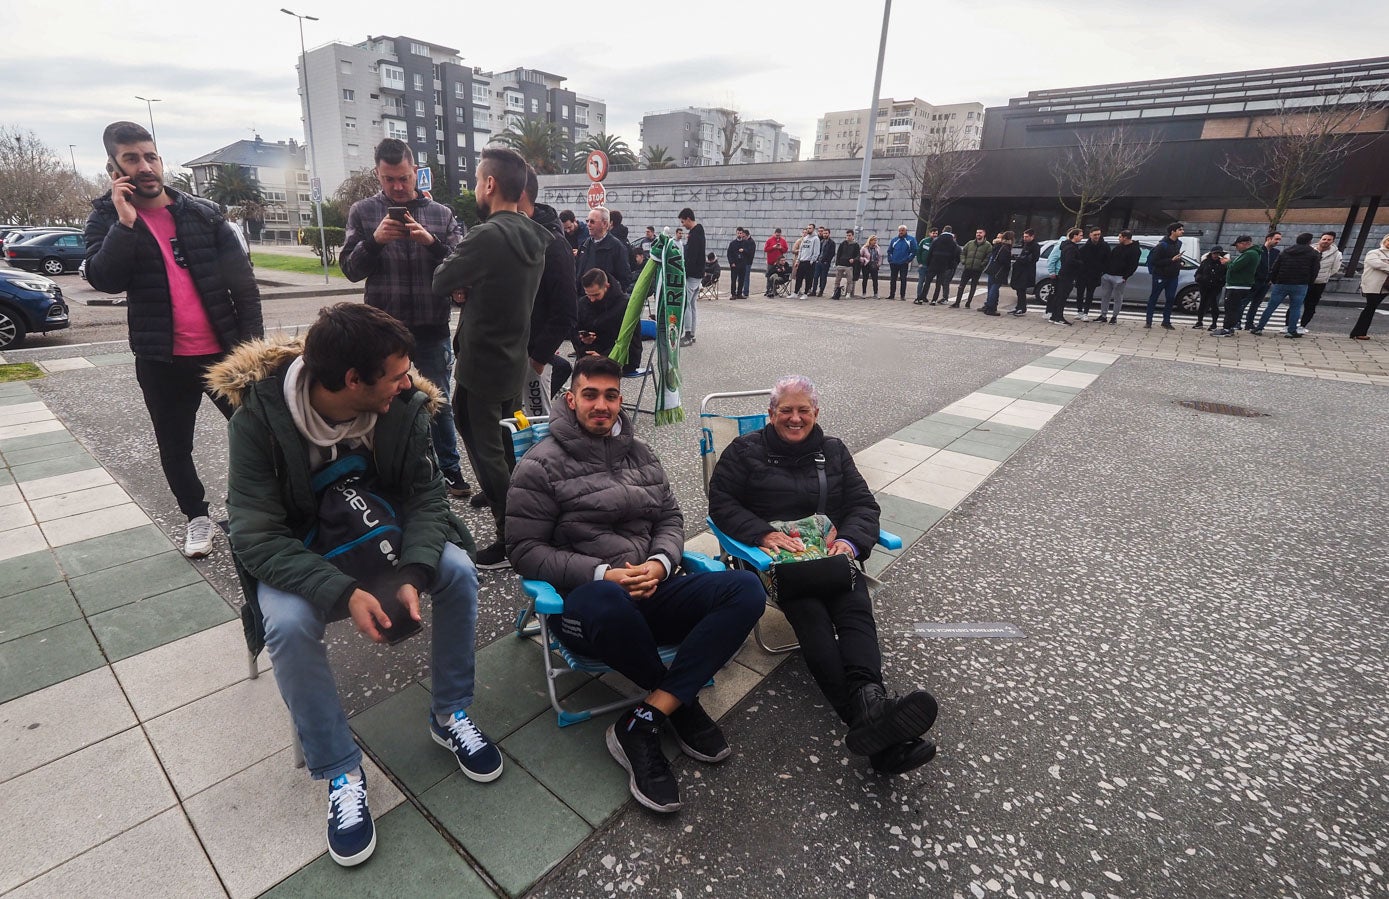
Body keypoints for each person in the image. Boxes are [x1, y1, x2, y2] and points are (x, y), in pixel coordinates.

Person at [212, 303, 500, 868]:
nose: (408, 382)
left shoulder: (404, 407)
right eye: (395, 374)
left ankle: (449, 714)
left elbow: (425, 495)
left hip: (382, 531)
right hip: (301, 548)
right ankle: (341, 769)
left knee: (460, 571)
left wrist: (414, 571)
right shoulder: (259, 419)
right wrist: (343, 593)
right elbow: (256, 535)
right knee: (290, 624)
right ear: (351, 380)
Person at [506, 354, 765, 813]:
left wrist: (663, 563)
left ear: (620, 400)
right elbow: (524, 550)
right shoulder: (539, 465)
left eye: (610, 395)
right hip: (588, 604)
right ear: (571, 399)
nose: (601, 405)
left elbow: (670, 516)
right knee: (607, 600)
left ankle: (646, 716)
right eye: (590, 395)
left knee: (745, 589)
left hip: (654, 587)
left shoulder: (641, 453)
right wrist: (603, 573)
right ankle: (681, 703)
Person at [707, 375, 938, 774]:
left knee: (854, 607)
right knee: (812, 616)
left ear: (816, 412)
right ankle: (872, 721)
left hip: (832, 557)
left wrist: (849, 541)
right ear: (771, 414)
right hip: (778, 563)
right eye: (786, 411)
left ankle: (871, 718)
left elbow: (863, 505)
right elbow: (721, 504)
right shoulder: (744, 452)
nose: (795, 418)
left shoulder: (832, 451)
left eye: (803, 411)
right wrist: (762, 533)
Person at [83, 120, 262, 558]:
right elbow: (104, 279)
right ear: (114, 168)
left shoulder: (202, 212)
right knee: (175, 444)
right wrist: (125, 223)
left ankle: (259, 513)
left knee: (260, 435)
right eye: (131, 158)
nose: (145, 166)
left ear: (160, 159)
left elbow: (244, 286)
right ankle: (197, 518)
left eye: (150, 156)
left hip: (224, 355)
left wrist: (253, 351)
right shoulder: (106, 217)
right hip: (161, 358)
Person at [433, 146, 551, 570]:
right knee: (508, 447)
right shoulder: (535, 237)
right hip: (512, 358)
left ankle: (512, 537)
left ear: (489, 184)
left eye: (478, 180)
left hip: (480, 365)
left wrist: (466, 281)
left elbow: (442, 278)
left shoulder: (487, 235)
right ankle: (528, 519)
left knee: (487, 454)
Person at [340, 138, 469, 498]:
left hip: (431, 329)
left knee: (438, 404)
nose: (397, 187)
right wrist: (375, 242)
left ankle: (451, 472)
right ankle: (386, 473)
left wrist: (431, 242)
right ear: (378, 175)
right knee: (382, 406)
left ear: (416, 172)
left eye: (403, 178)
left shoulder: (441, 215)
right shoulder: (363, 212)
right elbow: (350, 269)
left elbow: (460, 271)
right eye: (388, 179)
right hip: (381, 334)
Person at [518, 166, 577, 420]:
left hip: (531, 358)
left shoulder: (552, 243)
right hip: (506, 357)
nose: (480, 193)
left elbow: (565, 311)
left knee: (534, 429)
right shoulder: (507, 234)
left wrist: (538, 358)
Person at [1253, 232, 1319, 338]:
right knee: (1295, 308)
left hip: (1282, 282)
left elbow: (1275, 267)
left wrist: (1274, 280)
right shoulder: (1313, 254)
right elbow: (1315, 270)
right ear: (1309, 242)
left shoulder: (1286, 251)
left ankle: (1259, 327)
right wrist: (1309, 282)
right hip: (1300, 284)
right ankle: (1291, 330)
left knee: (1271, 306)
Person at [575, 268, 639, 370]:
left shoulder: (625, 305)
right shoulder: (583, 303)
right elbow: (574, 329)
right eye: (588, 295)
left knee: (591, 369)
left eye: (596, 295)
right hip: (592, 352)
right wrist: (582, 338)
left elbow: (631, 342)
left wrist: (604, 357)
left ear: (607, 286)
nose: (592, 300)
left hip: (623, 356)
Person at [577, 206, 634, 294]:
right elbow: (578, 273)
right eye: (587, 221)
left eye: (592, 221)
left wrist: (608, 295)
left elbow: (625, 278)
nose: (588, 224)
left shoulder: (617, 247)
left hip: (605, 303)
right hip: (584, 301)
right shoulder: (584, 245)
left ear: (604, 224)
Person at [1213, 236, 1259, 337]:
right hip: (1241, 285)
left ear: (1245, 243)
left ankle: (1226, 329)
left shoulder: (1249, 254)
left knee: (1230, 307)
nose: (1237, 248)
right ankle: (1230, 327)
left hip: (1237, 285)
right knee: (1234, 307)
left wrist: (1227, 262)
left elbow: (1234, 267)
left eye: (1237, 245)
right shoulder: (1252, 254)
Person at [1144, 222, 1185, 330]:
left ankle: (1166, 321)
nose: (1182, 231)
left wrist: (1180, 262)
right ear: (1173, 231)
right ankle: (1148, 321)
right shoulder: (1162, 245)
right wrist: (1171, 260)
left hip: (1173, 275)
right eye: (1180, 229)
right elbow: (1155, 261)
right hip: (1160, 275)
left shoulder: (1179, 243)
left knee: (1171, 298)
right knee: (1154, 297)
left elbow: (1175, 257)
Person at [1299, 231, 1342, 334]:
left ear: (1332, 241)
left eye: (1329, 240)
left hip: (1319, 283)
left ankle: (1302, 326)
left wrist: (1324, 275)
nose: (1326, 241)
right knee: (1296, 303)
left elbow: (1335, 269)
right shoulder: (1309, 250)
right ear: (1320, 239)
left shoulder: (1337, 254)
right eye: (1324, 239)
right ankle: (1288, 325)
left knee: (1311, 306)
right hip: (1304, 281)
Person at [1094, 230, 1140, 323]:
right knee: (1105, 296)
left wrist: (1125, 277)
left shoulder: (1135, 250)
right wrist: (1105, 272)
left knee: (1118, 297)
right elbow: (1110, 259)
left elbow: (1133, 265)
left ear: (1125, 238)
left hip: (1120, 276)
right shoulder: (1118, 247)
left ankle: (1114, 317)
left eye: (1120, 237)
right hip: (1108, 274)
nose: (1119, 239)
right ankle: (1103, 315)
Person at [1350, 234, 1389, 340]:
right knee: (1370, 308)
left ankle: (1358, 332)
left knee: (1370, 308)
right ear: (1384, 241)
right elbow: (1377, 264)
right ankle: (1358, 332)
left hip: (1385, 287)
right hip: (1374, 285)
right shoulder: (1374, 253)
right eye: (1388, 240)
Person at [1244, 231, 1282, 330]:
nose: (1278, 241)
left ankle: (1249, 323)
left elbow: (1276, 267)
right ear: (1269, 239)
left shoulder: (1276, 252)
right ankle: (1237, 322)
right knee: (1244, 302)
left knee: (1256, 304)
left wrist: (1272, 279)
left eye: (1279, 239)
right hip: (1255, 281)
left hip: (1266, 283)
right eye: (1276, 239)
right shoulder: (1258, 250)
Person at [678, 207, 705, 346]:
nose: (683, 225)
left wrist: (685, 273)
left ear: (688, 219)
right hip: (698, 274)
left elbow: (692, 257)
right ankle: (692, 334)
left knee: (686, 304)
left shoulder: (694, 235)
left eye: (683, 222)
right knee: (693, 305)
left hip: (692, 275)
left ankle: (687, 334)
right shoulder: (699, 232)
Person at [1049, 228, 1083, 326]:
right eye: (1080, 235)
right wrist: (1080, 262)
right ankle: (1058, 317)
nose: (1081, 237)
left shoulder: (1066, 246)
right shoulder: (1071, 248)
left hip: (1064, 273)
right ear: (1075, 236)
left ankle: (1054, 316)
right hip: (1067, 274)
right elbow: (1069, 261)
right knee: (1062, 296)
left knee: (1059, 295)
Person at [1076, 227, 1109, 320]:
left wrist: (1102, 270)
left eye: (1099, 234)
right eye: (1095, 235)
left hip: (1095, 274)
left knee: (1090, 294)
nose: (1097, 236)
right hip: (1082, 274)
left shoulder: (1104, 246)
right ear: (1090, 235)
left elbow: (1107, 260)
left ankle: (1086, 312)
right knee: (1080, 293)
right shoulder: (1084, 247)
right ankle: (1079, 311)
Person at [1192, 246, 1228, 331]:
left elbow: (1225, 275)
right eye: (1214, 253)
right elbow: (1199, 272)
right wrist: (1199, 279)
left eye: (1218, 253)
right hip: (1204, 285)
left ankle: (1214, 323)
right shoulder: (1206, 262)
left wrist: (1221, 281)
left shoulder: (1222, 263)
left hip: (1215, 286)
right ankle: (1199, 321)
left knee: (1214, 303)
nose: (1216, 255)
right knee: (1202, 303)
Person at [953, 228, 990, 308]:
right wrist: (963, 261)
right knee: (961, 285)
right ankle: (957, 302)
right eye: (977, 233)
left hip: (977, 269)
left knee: (973, 287)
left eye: (980, 233)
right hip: (967, 268)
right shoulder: (970, 243)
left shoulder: (987, 245)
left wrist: (982, 264)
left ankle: (968, 303)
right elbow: (963, 252)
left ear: (984, 234)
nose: (978, 234)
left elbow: (988, 257)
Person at [924, 225, 960, 305]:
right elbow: (953, 256)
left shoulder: (936, 240)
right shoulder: (953, 243)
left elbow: (930, 252)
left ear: (943, 230)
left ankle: (921, 298)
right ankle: (934, 300)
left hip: (933, 263)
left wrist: (928, 263)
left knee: (927, 281)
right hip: (944, 266)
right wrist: (949, 266)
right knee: (938, 284)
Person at [980, 231, 1012, 315]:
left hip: (993, 269)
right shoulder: (1005, 248)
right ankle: (990, 307)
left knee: (992, 288)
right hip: (999, 271)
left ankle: (990, 306)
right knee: (994, 288)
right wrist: (1008, 265)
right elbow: (1003, 261)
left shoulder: (997, 246)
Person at [1008, 229, 1039, 316]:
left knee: (1022, 290)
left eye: (1027, 237)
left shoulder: (1035, 246)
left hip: (1026, 272)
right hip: (1019, 271)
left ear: (1032, 236)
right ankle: (1018, 307)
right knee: (1019, 290)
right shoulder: (1025, 244)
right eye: (1024, 236)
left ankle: (1022, 308)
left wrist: (1021, 259)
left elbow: (1033, 258)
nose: (1024, 238)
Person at [886, 224, 916, 300]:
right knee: (893, 279)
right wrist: (890, 260)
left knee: (903, 279)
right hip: (894, 263)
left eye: (902, 230)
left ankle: (902, 296)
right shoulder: (894, 240)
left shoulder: (911, 239)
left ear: (906, 231)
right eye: (900, 230)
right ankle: (891, 295)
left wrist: (908, 259)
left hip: (904, 263)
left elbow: (914, 251)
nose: (901, 232)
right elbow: (889, 251)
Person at [832, 228, 861, 299]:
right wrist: (837, 263)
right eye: (847, 235)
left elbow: (858, 255)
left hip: (849, 266)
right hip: (841, 264)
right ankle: (835, 291)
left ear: (853, 236)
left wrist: (853, 260)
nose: (848, 237)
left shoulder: (856, 245)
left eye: (849, 235)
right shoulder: (843, 244)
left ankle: (848, 293)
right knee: (837, 279)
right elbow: (838, 254)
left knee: (849, 280)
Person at [727, 226, 756, 299]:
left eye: (741, 233)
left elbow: (749, 252)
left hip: (743, 263)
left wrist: (744, 250)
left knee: (742, 279)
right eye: (738, 233)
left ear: (742, 234)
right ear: (736, 233)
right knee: (733, 279)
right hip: (735, 264)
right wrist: (731, 263)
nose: (739, 234)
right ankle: (733, 294)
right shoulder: (732, 243)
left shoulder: (746, 243)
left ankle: (739, 293)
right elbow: (729, 254)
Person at [793, 225, 819, 298]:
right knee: (799, 277)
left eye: (810, 228)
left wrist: (812, 260)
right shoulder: (804, 238)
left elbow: (816, 252)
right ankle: (795, 292)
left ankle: (806, 293)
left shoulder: (815, 239)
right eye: (807, 228)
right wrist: (798, 260)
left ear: (813, 229)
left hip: (809, 261)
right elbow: (801, 250)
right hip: (802, 260)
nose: (808, 229)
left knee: (808, 278)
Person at [914, 227, 938, 302]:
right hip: (923, 265)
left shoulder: (937, 242)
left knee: (928, 282)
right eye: (933, 233)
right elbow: (918, 252)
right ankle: (918, 296)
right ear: (929, 233)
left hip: (931, 266)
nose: (934, 235)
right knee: (921, 281)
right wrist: (920, 263)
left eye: (936, 233)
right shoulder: (924, 241)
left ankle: (924, 296)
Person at [814, 226, 836, 297]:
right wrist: (817, 259)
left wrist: (827, 261)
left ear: (829, 234)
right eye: (824, 233)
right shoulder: (821, 241)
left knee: (823, 277)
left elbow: (832, 253)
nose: (825, 235)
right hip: (818, 261)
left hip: (825, 263)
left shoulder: (832, 243)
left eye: (826, 233)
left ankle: (821, 291)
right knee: (816, 276)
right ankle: (814, 290)